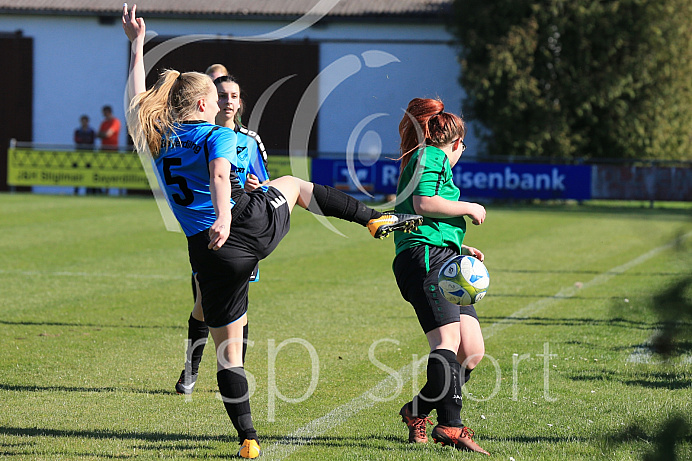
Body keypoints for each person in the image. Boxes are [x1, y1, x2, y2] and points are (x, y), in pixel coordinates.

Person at [122, 5, 421, 459]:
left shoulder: (158, 137)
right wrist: (225, 215)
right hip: (245, 225)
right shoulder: (216, 134)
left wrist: (135, 45)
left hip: (209, 254)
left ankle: (248, 438)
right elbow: (221, 174)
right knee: (295, 185)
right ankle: (372, 219)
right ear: (205, 104)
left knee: (230, 353)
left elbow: (136, 100)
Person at [392, 97, 490, 455]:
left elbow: (428, 219)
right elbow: (423, 203)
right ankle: (451, 425)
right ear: (457, 144)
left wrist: (460, 249)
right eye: (463, 145)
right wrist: (470, 207)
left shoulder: (427, 159)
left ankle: (416, 411)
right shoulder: (429, 155)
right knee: (446, 343)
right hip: (425, 259)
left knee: (472, 351)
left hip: (443, 257)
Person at [174, 72, 271, 396]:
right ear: (211, 102)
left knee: (240, 304)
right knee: (203, 303)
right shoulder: (201, 135)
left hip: (242, 228)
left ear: (240, 102)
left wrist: (259, 187)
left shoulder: (249, 141)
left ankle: (233, 372)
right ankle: (192, 367)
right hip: (210, 229)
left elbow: (265, 182)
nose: (228, 101)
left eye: (233, 95)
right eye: (222, 95)